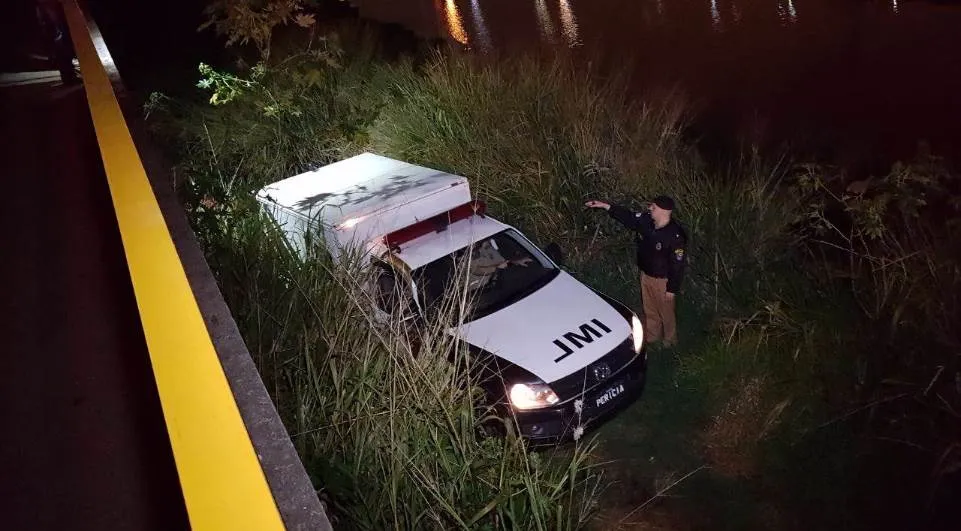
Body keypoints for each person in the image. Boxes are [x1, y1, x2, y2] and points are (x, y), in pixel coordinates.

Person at [585, 195, 687, 346]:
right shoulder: (647, 221)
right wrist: (606, 206)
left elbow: (677, 265)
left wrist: (672, 289)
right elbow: (628, 217)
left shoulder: (675, 235)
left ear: (665, 211)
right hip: (646, 276)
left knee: (666, 313)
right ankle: (653, 338)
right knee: (650, 310)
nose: (650, 208)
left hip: (663, 282)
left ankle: (670, 342)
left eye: (654, 207)